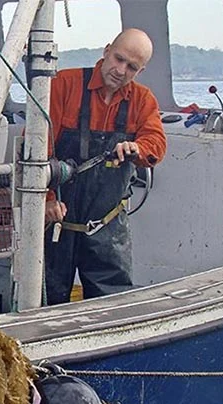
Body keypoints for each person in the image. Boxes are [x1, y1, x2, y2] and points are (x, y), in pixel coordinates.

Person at [43, 28, 166, 305]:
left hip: (108, 228)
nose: (121, 70)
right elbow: (39, 149)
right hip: (56, 222)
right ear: (107, 49)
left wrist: (138, 149)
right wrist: (47, 200)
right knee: (47, 298)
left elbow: (156, 142)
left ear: (141, 70)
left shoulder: (143, 100)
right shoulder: (63, 84)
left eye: (132, 67)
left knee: (114, 304)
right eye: (119, 59)